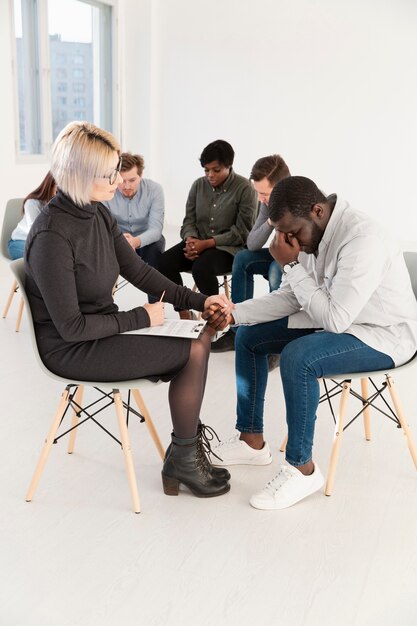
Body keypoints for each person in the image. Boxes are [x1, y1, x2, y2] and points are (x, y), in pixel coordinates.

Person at [24, 121, 232, 499]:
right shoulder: (52, 235)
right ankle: (183, 458)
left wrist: (200, 301)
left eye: (116, 169)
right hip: (73, 348)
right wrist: (141, 318)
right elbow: (70, 328)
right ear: (79, 174)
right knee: (195, 349)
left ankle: (184, 452)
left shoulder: (97, 213)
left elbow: (139, 272)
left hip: (104, 331)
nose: (118, 181)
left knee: (201, 334)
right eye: (108, 174)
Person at [207, 175, 417, 510]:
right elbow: (293, 297)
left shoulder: (363, 239)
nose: (287, 241)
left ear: (318, 210)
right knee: (247, 337)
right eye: (282, 234)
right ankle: (251, 441)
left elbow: (334, 318)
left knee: (297, 357)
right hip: (342, 322)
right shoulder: (308, 234)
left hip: (383, 334)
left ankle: (301, 469)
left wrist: (289, 264)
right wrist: (235, 313)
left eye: (292, 233)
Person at [158, 139, 257, 319]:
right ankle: (184, 311)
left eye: (216, 170)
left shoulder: (245, 189)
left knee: (201, 268)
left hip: (228, 248)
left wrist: (207, 243)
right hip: (198, 243)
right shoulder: (198, 185)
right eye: (206, 170)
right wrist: (190, 241)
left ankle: (216, 317)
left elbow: (242, 233)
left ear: (229, 166)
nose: (210, 175)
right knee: (163, 263)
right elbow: (189, 220)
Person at [211, 154, 290, 353]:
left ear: (282, 187)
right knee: (243, 258)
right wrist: (271, 220)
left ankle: (276, 338)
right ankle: (237, 329)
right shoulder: (267, 203)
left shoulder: (301, 199)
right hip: (279, 253)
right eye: (258, 193)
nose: (260, 199)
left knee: (275, 269)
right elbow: (253, 244)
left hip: (302, 261)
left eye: (265, 193)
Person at [102, 152, 165, 303]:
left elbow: (156, 229)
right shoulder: (107, 191)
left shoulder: (155, 190)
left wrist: (135, 241)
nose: (127, 186)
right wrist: (120, 240)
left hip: (146, 240)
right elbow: (103, 226)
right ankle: (103, 307)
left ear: (141, 175)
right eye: (122, 181)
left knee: (155, 250)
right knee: (101, 252)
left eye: (132, 180)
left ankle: (155, 306)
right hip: (117, 240)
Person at [8, 171, 56, 260]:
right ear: (50, 185)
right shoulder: (32, 203)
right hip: (19, 242)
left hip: (41, 244)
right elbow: (36, 232)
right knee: (47, 254)